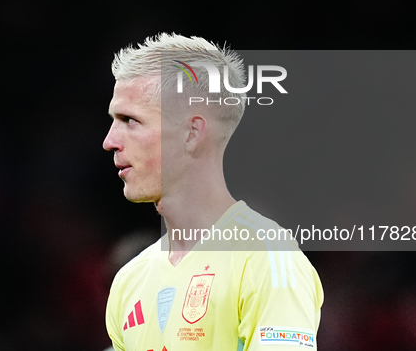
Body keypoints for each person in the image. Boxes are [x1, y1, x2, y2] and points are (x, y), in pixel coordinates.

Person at [102, 33, 323, 350]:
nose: (110, 140)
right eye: (114, 120)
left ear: (192, 133)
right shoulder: (129, 281)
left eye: (130, 120)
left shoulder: (265, 258)